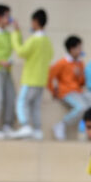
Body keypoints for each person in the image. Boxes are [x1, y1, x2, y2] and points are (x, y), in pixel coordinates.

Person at [10, 9, 52, 140]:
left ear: (35, 22)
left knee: (21, 102)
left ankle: (25, 125)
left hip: (30, 78)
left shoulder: (34, 40)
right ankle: (37, 130)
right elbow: (50, 55)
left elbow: (21, 51)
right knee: (35, 106)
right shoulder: (47, 41)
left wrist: (15, 35)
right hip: (41, 79)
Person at [47, 35, 91, 141]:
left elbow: (82, 83)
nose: (81, 50)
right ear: (72, 49)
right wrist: (54, 91)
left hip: (77, 92)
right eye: (79, 48)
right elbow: (50, 77)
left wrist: (79, 75)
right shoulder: (62, 62)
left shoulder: (80, 63)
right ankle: (61, 124)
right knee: (82, 107)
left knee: (90, 107)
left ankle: (83, 132)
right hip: (66, 92)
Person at [0, 4, 15, 139]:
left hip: (7, 70)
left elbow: (17, 46)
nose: (9, 19)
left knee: (11, 97)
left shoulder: (8, 34)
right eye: (7, 16)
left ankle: (7, 125)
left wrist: (17, 30)